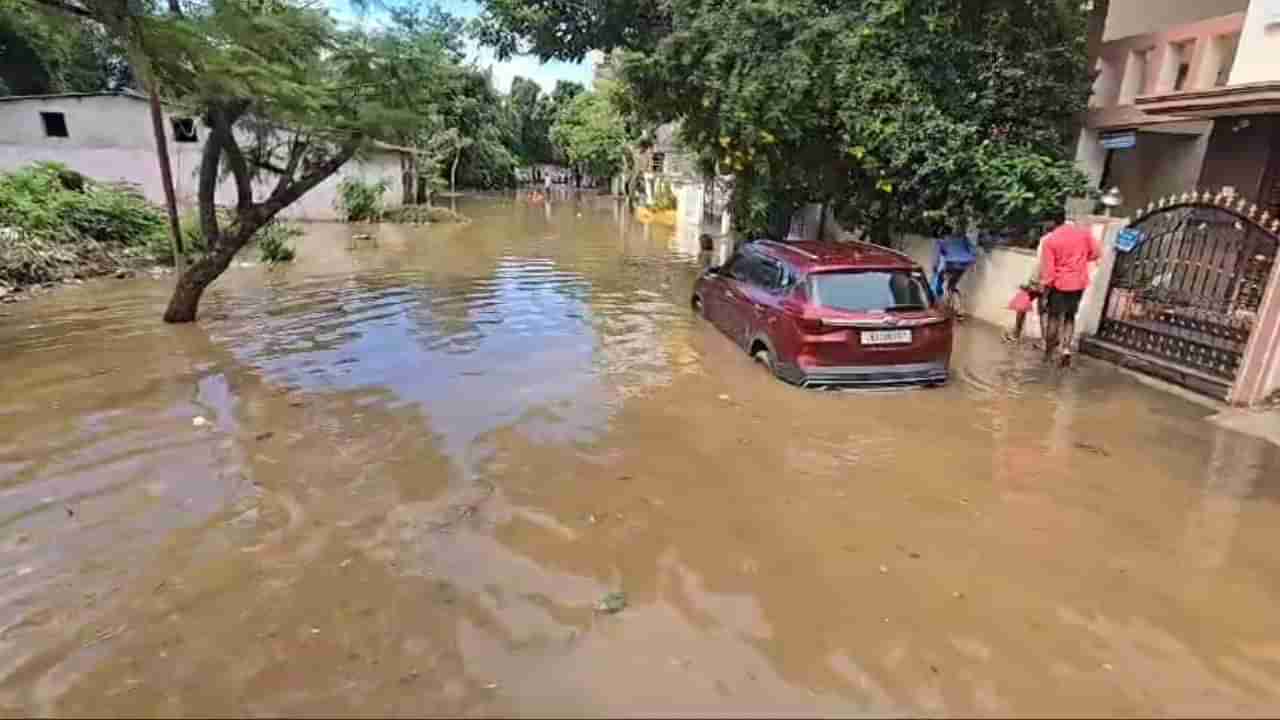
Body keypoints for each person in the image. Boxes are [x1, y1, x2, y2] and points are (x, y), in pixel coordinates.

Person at [1039, 218, 1100, 366]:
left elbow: (1048, 272)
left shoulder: (1050, 240)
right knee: (1070, 317)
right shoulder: (1084, 234)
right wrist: (1081, 259)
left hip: (1059, 284)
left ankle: (1048, 354)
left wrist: (1045, 294)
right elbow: (1096, 254)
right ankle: (1065, 349)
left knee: (1053, 318)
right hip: (1079, 283)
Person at [931, 230, 977, 317]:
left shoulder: (942, 240)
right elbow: (973, 249)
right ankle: (958, 308)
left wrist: (935, 266)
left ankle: (939, 300)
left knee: (940, 279)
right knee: (952, 285)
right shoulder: (963, 238)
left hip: (951, 263)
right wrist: (972, 261)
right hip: (963, 265)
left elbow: (937, 255)